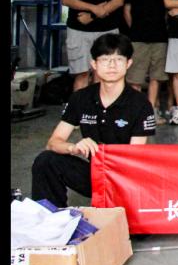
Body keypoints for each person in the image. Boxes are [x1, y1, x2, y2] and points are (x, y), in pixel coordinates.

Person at [31, 34, 155, 207]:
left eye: (118, 59)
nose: (112, 65)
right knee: (46, 161)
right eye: (105, 59)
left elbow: (135, 157)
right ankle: (51, 216)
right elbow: (53, 143)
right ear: (94, 64)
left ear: (128, 63)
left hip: (126, 176)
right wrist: (73, 148)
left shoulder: (140, 103)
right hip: (95, 172)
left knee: (132, 224)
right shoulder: (81, 98)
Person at [123, 0, 168, 124]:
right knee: (135, 77)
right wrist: (134, 29)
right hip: (138, 37)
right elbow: (127, 10)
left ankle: (151, 111)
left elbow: (167, 11)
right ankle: (136, 111)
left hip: (160, 37)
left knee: (157, 76)